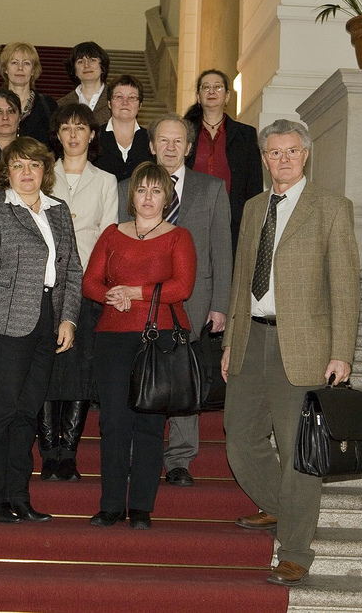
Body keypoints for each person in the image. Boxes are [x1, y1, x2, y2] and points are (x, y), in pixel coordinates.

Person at [221, 119, 360, 586]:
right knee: (240, 439)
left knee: (300, 451)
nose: (283, 159)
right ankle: (282, 506)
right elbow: (242, 280)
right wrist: (230, 341)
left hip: (303, 347)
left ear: (306, 155)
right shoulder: (254, 207)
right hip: (252, 339)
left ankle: (296, 550)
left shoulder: (331, 208)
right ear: (264, 159)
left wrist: (342, 351)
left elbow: (345, 285)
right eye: (274, 152)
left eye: (292, 151)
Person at [0, 137, 81, 523]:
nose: (27, 172)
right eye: (18, 165)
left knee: (28, 414)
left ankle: (18, 495)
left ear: (45, 171)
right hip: (4, 324)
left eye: (34, 165)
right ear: (7, 171)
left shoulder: (58, 210)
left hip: (47, 322)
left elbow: (72, 269)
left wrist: (68, 318)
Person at [116, 113, 232, 487]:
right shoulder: (126, 188)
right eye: (163, 140)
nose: (170, 147)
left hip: (193, 300)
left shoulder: (211, 189)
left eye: (178, 141)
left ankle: (180, 459)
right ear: (152, 146)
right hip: (140, 301)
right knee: (139, 374)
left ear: (189, 146)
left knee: (184, 377)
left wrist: (220, 303)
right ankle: (137, 452)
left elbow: (222, 251)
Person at [83, 162, 197, 530]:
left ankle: (141, 508)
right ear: (132, 196)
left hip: (159, 340)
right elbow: (90, 283)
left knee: (150, 424)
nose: (148, 197)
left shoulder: (179, 237)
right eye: (142, 190)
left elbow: (183, 287)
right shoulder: (112, 234)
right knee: (114, 423)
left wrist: (136, 292)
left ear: (167, 198)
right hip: (112, 338)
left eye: (156, 191)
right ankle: (111, 505)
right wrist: (111, 296)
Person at [39, 103, 117, 482]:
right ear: (58, 134)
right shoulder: (42, 174)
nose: (73, 135)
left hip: (87, 283)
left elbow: (109, 236)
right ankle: (47, 451)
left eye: (80, 128)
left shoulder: (105, 181)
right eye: (66, 128)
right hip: (43, 283)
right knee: (45, 366)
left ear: (92, 134)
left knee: (80, 369)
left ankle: (68, 451)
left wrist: (97, 281)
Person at [183, 69, 264, 255]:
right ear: (198, 96)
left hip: (231, 220)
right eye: (206, 87)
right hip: (190, 217)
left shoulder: (246, 134)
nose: (211, 91)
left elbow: (254, 183)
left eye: (218, 87)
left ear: (227, 96)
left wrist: (252, 222)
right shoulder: (184, 133)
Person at [0, 42, 57, 145]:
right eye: (14, 63)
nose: (20, 68)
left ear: (33, 71)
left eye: (26, 63)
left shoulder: (49, 105)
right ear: (5, 69)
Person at [96, 75, 154, 182]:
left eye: (131, 97)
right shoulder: (94, 137)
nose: (125, 102)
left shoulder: (151, 139)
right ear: (109, 103)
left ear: (140, 105)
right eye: (119, 97)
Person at [57, 41, 111, 126]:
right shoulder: (61, 105)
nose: (86, 65)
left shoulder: (116, 100)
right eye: (80, 61)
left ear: (102, 67)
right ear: (74, 70)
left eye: (92, 60)